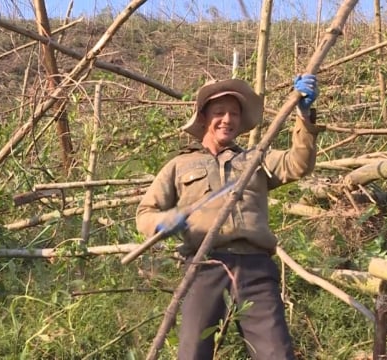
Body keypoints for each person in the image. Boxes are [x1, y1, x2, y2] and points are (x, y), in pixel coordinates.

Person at [136, 75, 319, 359]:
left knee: (276, 353)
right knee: (193, 352)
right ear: (204, 118)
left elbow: (298, 164)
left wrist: (304, 115)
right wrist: (166, 221)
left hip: (256, 268)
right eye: (219, 113)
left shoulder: (254, 159)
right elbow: (145, 214)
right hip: (203, 266)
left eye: (234, 114)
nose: (227, 120)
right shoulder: (179, 165)